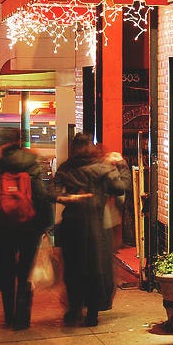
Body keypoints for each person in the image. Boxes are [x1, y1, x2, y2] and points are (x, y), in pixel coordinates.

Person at [53, 134, 130, 327]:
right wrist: (122, 165)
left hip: (71, 224)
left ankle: (75, 308)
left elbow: (52, 193)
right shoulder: (102, 169)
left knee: (73, 268)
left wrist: (68, 198)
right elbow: (121, 187)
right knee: (96, 268)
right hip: (96, 225)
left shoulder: (65, 168)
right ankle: (93, 313)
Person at [0, 133, 53, 330]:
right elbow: (40, 196)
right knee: (25, 272)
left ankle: (8, 317)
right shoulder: (32, 165)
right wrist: (46, 224)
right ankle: (22, 319)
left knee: (6, 271)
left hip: (3, 227)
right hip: (30, 227)